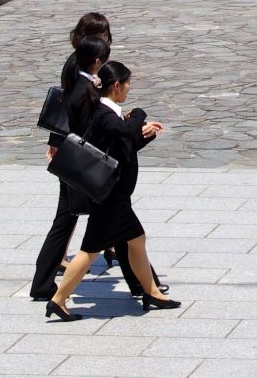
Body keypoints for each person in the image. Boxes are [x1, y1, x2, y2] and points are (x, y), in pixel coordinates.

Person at [47, 61, 177, 321]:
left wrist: (147, 133)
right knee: (89, 252)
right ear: (116, 86)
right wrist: (139, 114)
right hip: (109, 199)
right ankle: (58, 300)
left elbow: (123, 147)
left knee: (137, 240)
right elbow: (126, 131)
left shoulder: (110, 115)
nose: (129, 88)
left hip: (117, 198)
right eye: (128, 84)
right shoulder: (106, 115)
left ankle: (151, 291)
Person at [29, 26, 111, 302]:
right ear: (97, 62)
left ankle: (42, 284)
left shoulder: (76, 82)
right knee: (112, 220)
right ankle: (144, 284)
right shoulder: (84, 91)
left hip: (71, 161)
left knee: (64, 221)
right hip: (82, 164)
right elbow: (93, 126)